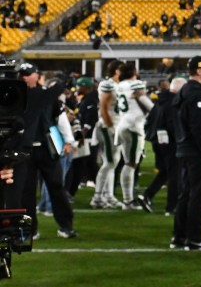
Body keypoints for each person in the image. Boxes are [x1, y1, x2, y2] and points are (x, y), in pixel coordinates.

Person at [9, 63, 77, 239]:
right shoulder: (14, 97)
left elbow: (60, 117)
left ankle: (66, 226)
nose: (25, 78)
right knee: (26, 191)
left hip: (47, 148)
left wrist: (68, 140)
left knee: (57, 187)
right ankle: (30, 230)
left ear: (37, 75)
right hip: (24, 151)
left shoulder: (48, 96)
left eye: (28, 74)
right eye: (22, 75)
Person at [171, 56, 201, 250]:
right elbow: (198, 126)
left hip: (185, 149)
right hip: (196, 151)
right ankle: (194, 238)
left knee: (187, 194)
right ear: (200, 71)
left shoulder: (185, 91)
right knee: (197, 196)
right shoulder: (196, 94)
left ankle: (180, 235)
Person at [140, 76, 184, 215]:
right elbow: (172, 124)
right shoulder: (173, 102)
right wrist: (180, 138)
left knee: (165, 172)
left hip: (157, 141)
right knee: (174, 173)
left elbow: (149, 120)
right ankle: (172, 206)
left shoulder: (159, 101)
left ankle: (147, 195)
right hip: (169, 142)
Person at [113, 63, 153, 210]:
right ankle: (128, 201)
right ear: (134, 72)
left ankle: (128, 200)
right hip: (133, 127)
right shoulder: (135, 84)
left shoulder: (120, 85)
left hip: (123, 124)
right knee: (130, 164)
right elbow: (144, 101)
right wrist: (155, 110)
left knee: (129, 163)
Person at [91, 60, 122, 209]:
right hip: (108, 127)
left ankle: (108, 195)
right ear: (117, 70)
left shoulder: (117, 85)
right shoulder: (108, 84)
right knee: (109, 162)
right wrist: (110, 126)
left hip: (114, 126)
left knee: (112, 163)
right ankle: (97, 197)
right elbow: (103, 107)